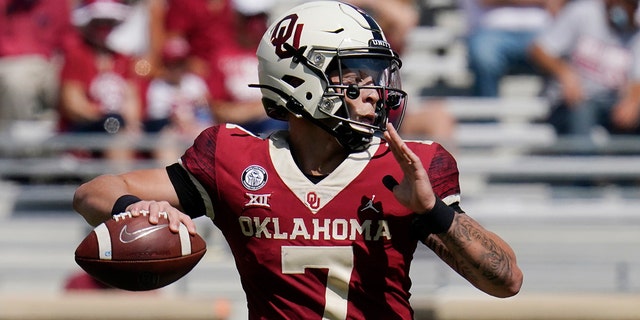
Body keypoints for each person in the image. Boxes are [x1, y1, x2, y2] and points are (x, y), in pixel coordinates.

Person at [73, 2, 523, 319]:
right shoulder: (234, 158)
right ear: (299, 78)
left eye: (377, 75)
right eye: (356, 75)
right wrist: (133, 208)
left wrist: (433, 212)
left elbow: (506, 281)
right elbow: (93, 192)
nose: (374, 92)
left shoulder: (406, 168)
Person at [529, 0, 640, 146]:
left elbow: (636, 78)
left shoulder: (635, 32)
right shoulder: (583, 12)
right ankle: (582, 166)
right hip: (571, 101)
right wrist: (565, 73)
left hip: (611, 101)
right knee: (582, 112)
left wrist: (633, 101)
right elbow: (539, 50)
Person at [58, 0, 142, 160]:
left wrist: (130, 123)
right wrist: (106, 115)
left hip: (120, 124)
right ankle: (118, 179)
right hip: (87, 128)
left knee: (162, 128)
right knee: (114, 125)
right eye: (99, 23)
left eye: (108, 23)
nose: (104, 28)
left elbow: (132, 100)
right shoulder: (76, 56)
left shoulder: (123, 59)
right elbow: (73, 105)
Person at [0, 0, 74, 134]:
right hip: (10, 68)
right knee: (16, 78)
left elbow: (69, 44)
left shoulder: (57, 4)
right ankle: (21, 145)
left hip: (48, 68)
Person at [460, 0, 560, 97]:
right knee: (483, 56)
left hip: (543, 29)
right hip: (491, 29)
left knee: (561, 51)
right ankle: (487, 111)